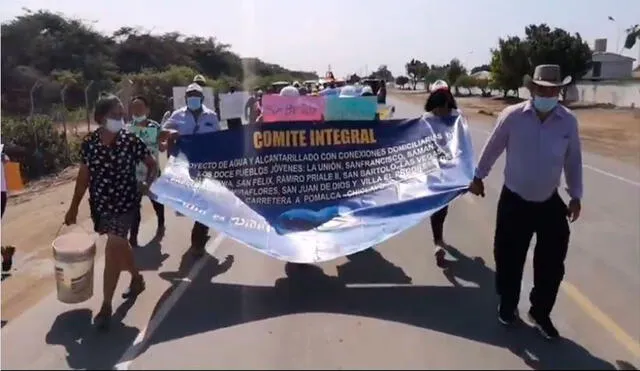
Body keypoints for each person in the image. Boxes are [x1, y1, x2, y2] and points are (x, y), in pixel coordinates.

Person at [469, 64, 583, 340]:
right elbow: (493, 147)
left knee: (553, 262)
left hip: (548, 202)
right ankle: (508, 306)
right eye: (542, 89)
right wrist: (478, 175)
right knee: (509, 258)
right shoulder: (512, 116)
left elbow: (573, 160)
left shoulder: (568, 121)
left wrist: (575, 195)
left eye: (553, 89)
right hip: (515, 200)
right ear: (532, 89)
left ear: (559, 91)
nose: (547, 93)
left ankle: (540, 312)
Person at [65, 94, 157, 329]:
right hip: (101, 205)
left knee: (113, 248)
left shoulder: (131, 140)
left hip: (126, 203)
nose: (119, 118)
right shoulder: (89, 143)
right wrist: (74, 207)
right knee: (119, 246)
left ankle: (106, 305)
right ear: (100, 118)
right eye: (114, 115)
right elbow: (84, 177)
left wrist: (147, 184)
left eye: (121, 114)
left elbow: (152, 164)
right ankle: (136, 279)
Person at [160, 83, 222, 257]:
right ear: (186, 98)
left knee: (205, 200)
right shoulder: (177, 115)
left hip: (206, 165)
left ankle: (198, 239)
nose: (193, 97)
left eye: (196, 94)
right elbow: (163, 133)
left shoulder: (211, 116)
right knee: (192, 201)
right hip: (185, 166)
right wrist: (171, 134)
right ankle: (200, 233)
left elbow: (218, 139)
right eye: (190, 95)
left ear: (201, 98)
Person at [422, 80, 466, 267]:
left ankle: (438, 241)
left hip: (433, 171)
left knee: (437, 208)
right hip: (451, 172)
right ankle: (438, 243)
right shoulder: (457, 117)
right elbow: (464, 146)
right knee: (442, 208)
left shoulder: (426, 119)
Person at [127, 95, 165, 247]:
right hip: (133, 175)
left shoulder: (155, 127)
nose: (137, 111)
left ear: (147, 110)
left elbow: (162, 146)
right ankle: (133, 237)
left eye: (140, 107)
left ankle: (161, 222)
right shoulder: (128, 129)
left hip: (153, 174)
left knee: (157, 203)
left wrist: (162, 144)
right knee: (134, 208)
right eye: (134, 108)